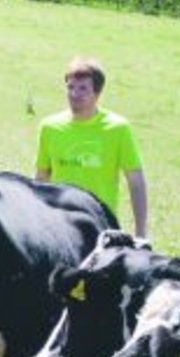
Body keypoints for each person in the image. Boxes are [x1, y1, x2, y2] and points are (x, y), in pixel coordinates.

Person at [35, 57, 149, 239]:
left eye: (82, 88)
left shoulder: (118, 129)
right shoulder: (49, 127)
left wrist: (141, 234)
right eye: (70, 87)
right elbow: (41, 179)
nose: (74, 94)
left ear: (97, 93)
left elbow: (136, 181)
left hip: (100, 227)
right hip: (59, 225)